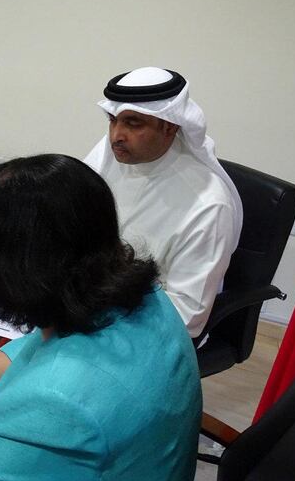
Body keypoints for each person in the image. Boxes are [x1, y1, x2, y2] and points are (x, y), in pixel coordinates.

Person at [0, 155, 201, 481]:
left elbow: (56, 384)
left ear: (19, 268)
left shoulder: (55, 407)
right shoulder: (146, 299)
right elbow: (42, 345)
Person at [84, 66, 243, 338]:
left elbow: (187, 315)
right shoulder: (111, 156)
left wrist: (96, 310)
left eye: (133, 123)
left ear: (169, 126)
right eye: (112, 120)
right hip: (87, 299)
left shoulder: (208, 206)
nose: (116, 135)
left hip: (144, 329)